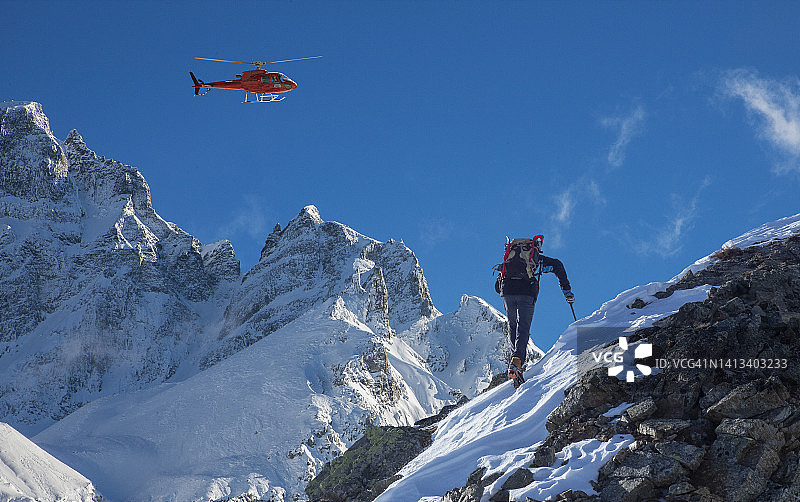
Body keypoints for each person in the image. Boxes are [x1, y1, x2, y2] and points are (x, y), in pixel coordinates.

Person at [495, 235, 574, 388]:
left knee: (513, 327)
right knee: (523, 327)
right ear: (535, 248)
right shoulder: (537, 260)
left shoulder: (510, 259)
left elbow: (497, 286)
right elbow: (558, 265)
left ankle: (515, 362)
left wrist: (506, 290)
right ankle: (517, 361)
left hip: (507, 292)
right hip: (526, 292)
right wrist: (566, 290)